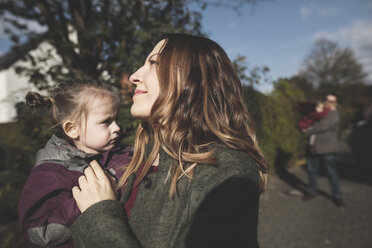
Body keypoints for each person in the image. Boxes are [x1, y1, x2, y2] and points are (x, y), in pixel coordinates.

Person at [70, 33, 269, 248]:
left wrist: (100, 215)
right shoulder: (137, 159)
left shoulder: (228, 171)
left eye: (153, 62)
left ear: (193, 79)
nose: (134, 76)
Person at [18, 79, 132, 247]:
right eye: (106, 121)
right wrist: (87, 203)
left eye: (116, 119)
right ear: (72, 129)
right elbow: (37, 232)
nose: (116, 127)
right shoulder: (52, 172)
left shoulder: (122, 153)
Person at [303, 94, 345, 207]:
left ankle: (337, 196)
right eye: (327, 100)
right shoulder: (319, 111)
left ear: (335, 103)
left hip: (327, 149)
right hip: (312, 147)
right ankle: (312, 192)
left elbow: (323, 126)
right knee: (311, 172)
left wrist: (308, 130)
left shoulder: (334, 114)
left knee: (331, 173)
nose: (329, 102)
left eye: (332, 101)